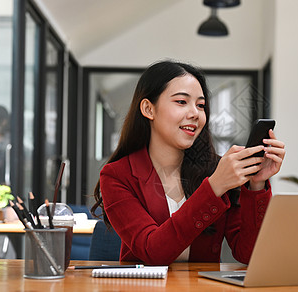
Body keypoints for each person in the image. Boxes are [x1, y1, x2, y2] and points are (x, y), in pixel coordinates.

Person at [91, 60, 285, 265]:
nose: (195, 114)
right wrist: (214, 187)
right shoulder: (117, 175)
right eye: (181, 102)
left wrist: (257, 184)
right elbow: (153, 252)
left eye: (200, 105)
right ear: (149, 109)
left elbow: (248, 254)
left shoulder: (217, 170)